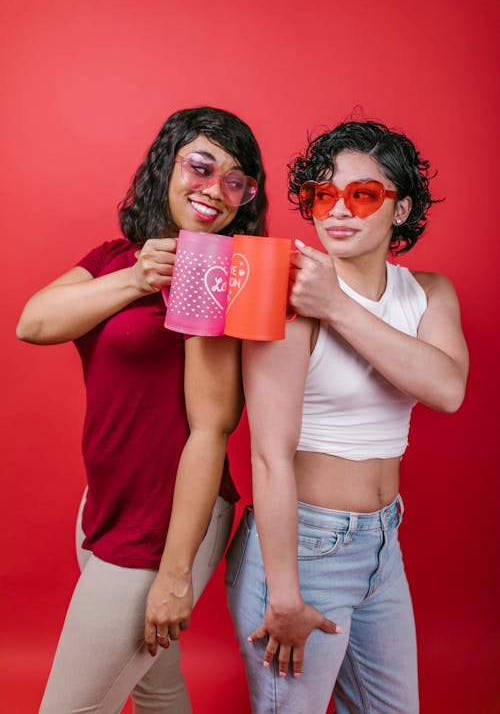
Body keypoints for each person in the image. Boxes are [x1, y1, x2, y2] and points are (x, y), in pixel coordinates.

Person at [16, 106, 267, 714]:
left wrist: (175, 573)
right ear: (168, 164)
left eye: (235, 181)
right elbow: (34, 322)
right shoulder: (116, 256)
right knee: (155, 686)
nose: (215, 190)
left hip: (161, 527)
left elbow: (211, 430)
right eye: (201, 167)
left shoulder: (214, 278)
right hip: (102, 508)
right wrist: (136, 279)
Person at [225, 119, 468, 713]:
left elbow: (446, 389)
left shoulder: (428, 293)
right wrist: (284, 595)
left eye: (362, 195)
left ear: (401, 208)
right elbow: (268, 455)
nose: (338, 210)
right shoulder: (283, 297)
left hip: (384, 543)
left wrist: (337, 305)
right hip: (301, 550)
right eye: (321, 194)